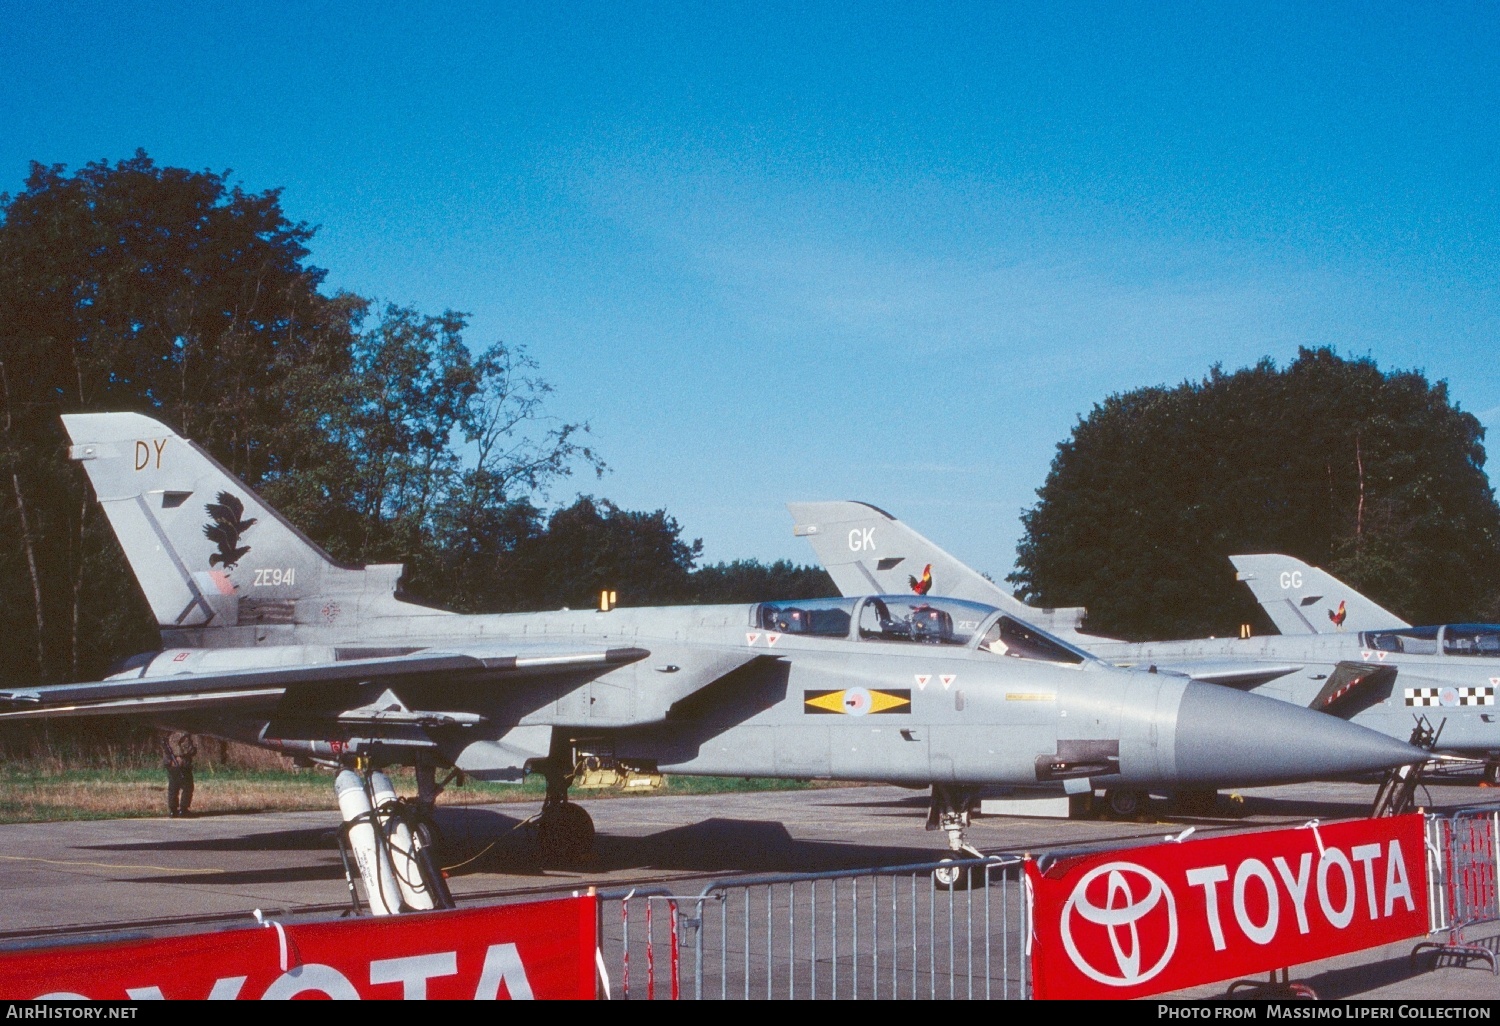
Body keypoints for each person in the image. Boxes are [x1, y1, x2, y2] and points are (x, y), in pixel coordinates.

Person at [161, 731, 198, 817]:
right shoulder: (183, 735)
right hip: (183, 766)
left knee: (173, 788)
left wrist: (169, 762)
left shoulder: (169, 735)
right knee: (188, 787)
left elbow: (166, 752)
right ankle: (183, 809)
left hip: (172, 766)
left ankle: (173, 810)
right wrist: (193, 749)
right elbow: (190, 750)